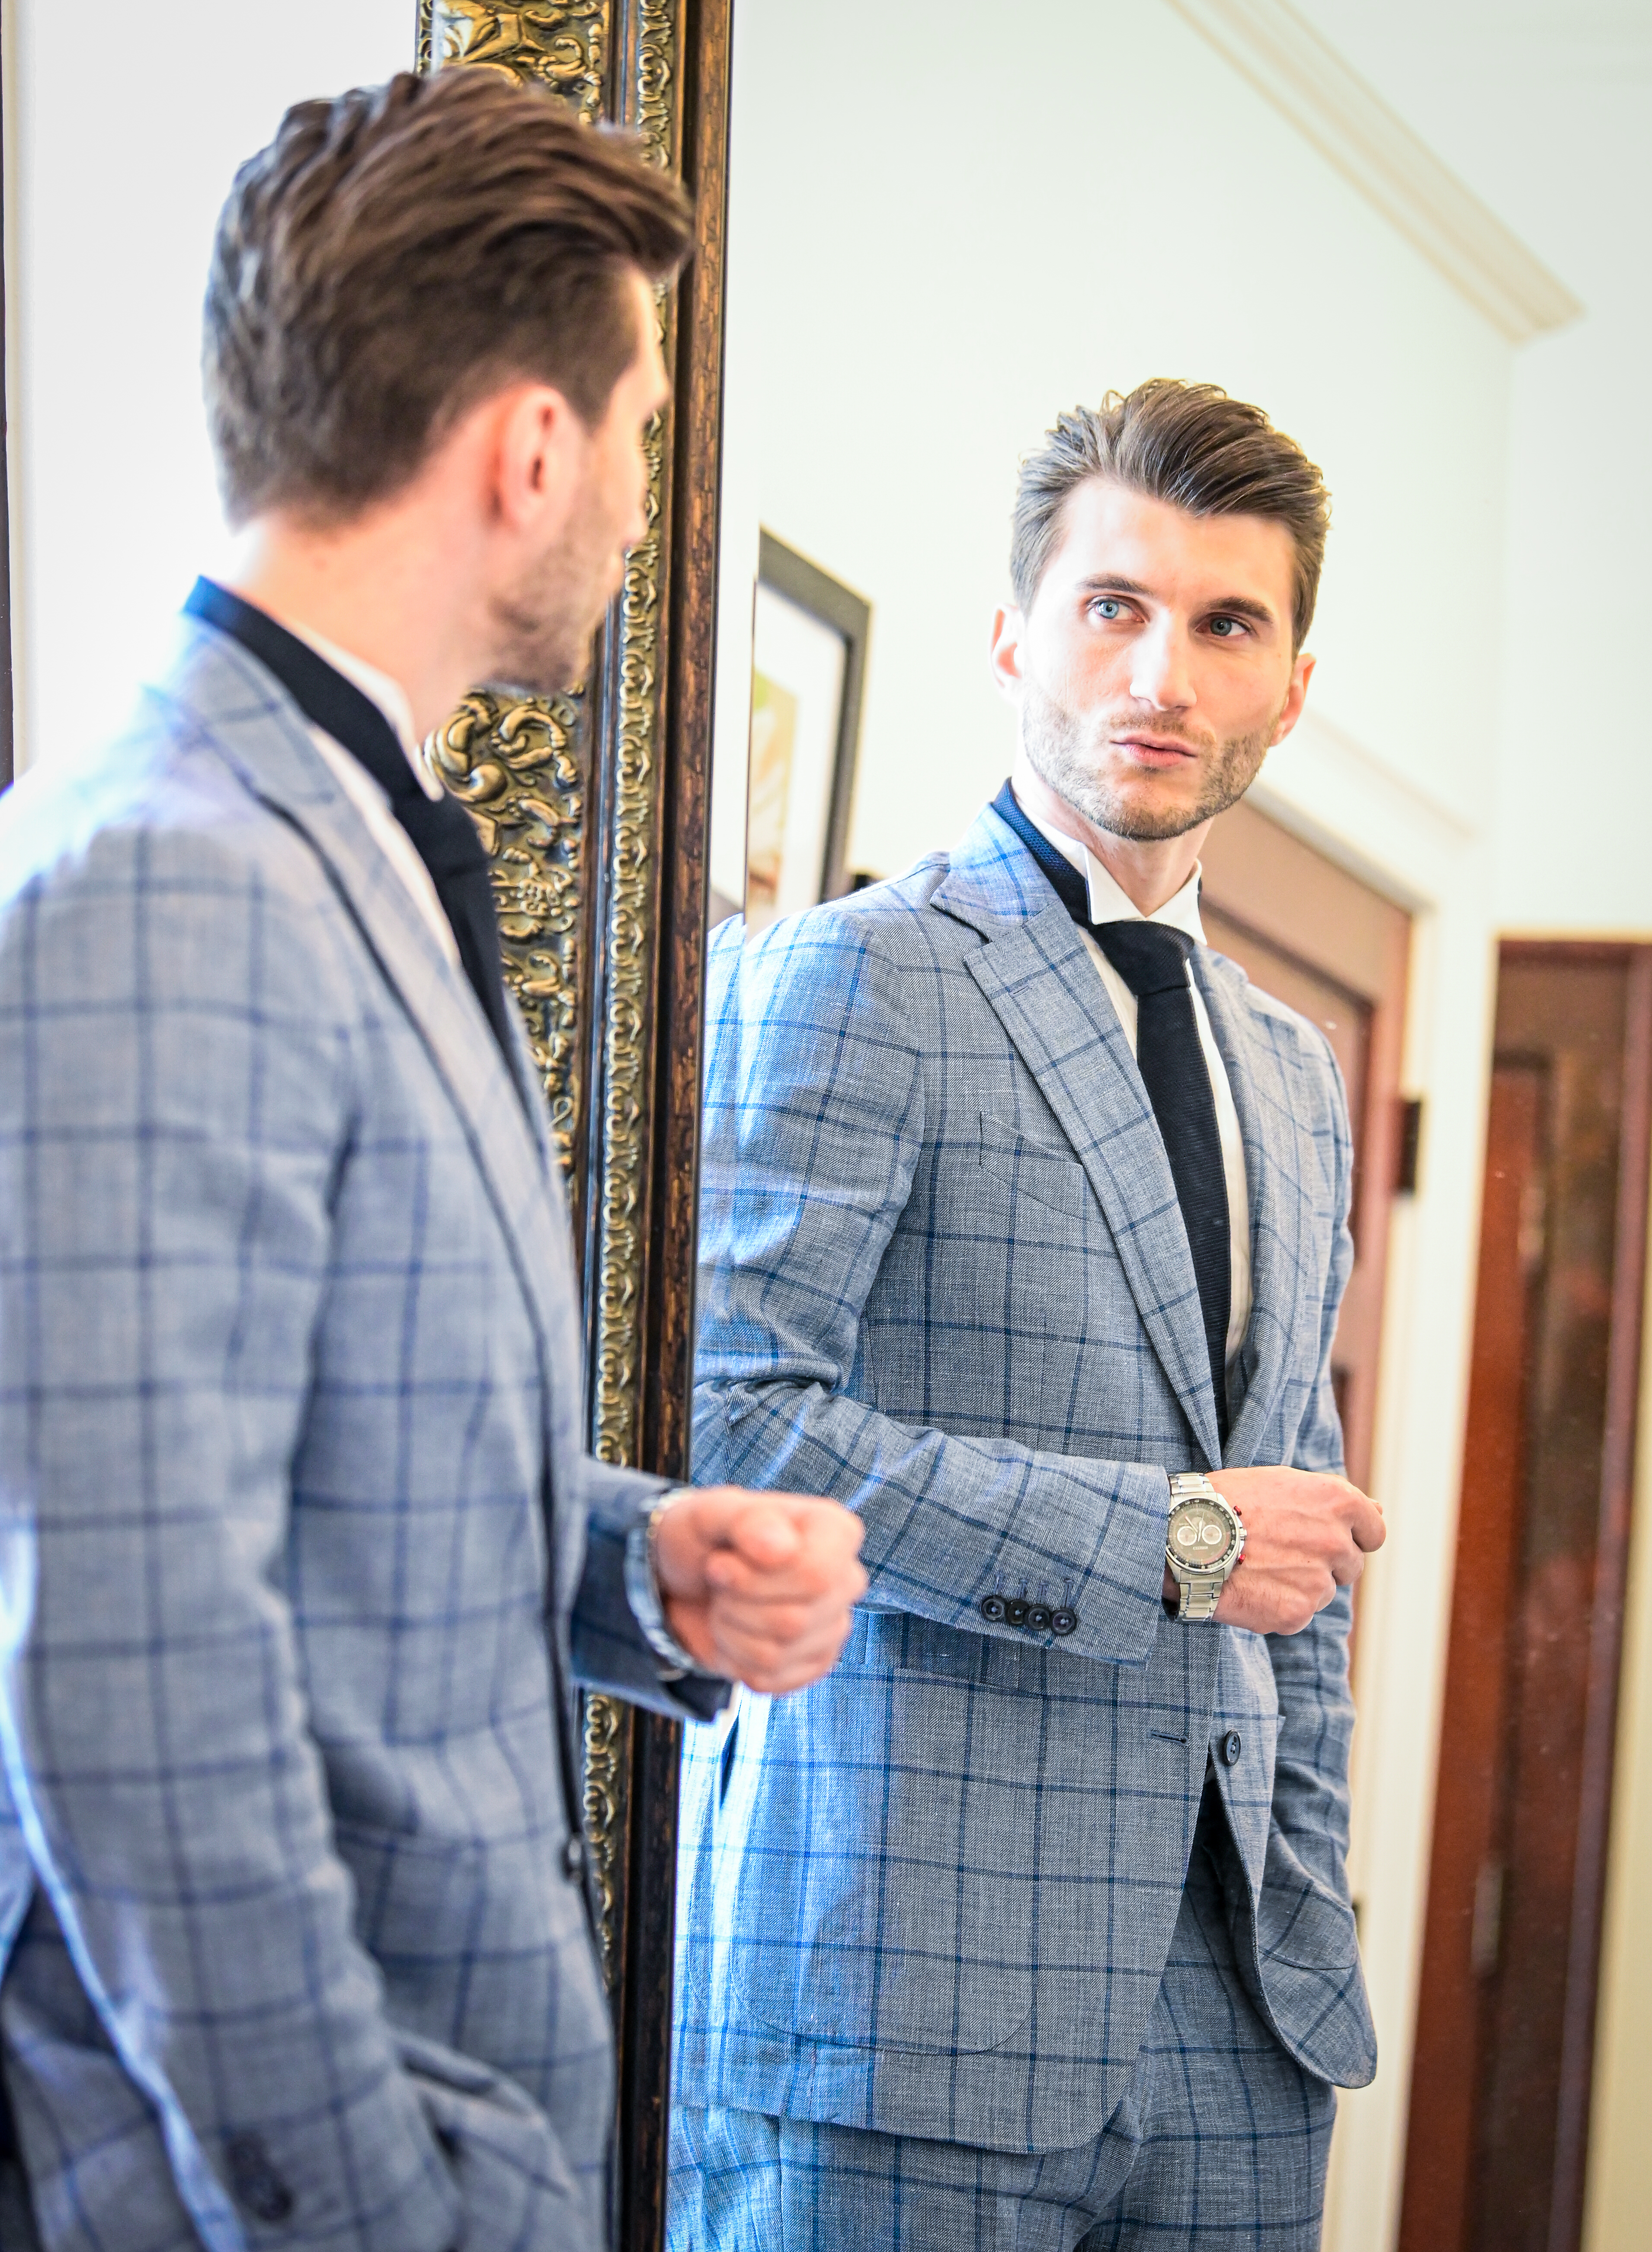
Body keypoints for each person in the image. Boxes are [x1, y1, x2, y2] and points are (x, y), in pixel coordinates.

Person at [0, 70, 867, 2252]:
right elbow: (125, 1666)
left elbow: (292, 1476)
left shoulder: (340, 836)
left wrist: (627, 1559)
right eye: (647, 425)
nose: (642, 495)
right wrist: (366, 2207)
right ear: (532, 444)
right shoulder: (158, 880)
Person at [672, 380, 1389, 2248]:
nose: (1161, 670)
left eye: (1226, 624)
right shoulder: (854, 978)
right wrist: (1169, 1538)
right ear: (1011, 636)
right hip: (891, 2014)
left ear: (1289, 684)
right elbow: (728, 1432)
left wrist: (1307, 1909)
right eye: (1112, 606)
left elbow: (1291, 1539)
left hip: (1237, 2034)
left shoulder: (1295, 1074)